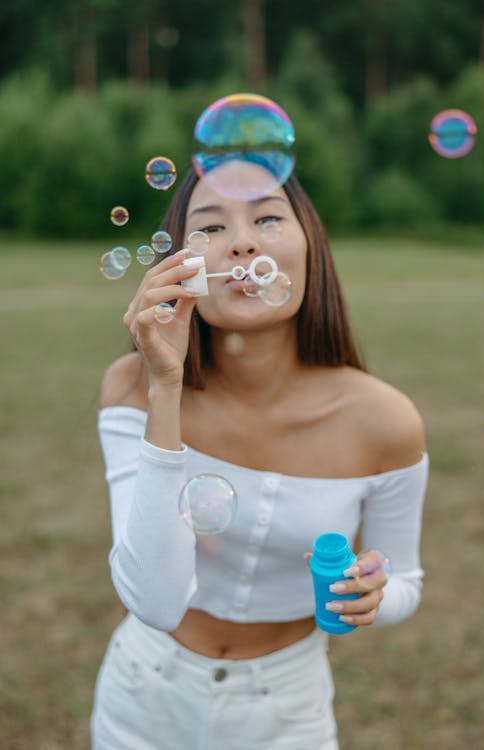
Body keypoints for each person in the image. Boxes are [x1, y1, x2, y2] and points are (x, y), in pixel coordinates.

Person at [91, 163, 428, 750]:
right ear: (182, 267)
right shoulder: (131, 385)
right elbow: (156, 601)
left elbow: (406, 582)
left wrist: (375, 591)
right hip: (142, 697)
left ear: (308, 248)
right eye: (210, 227)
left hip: (286, 713)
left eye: (267, 217)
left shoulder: (386, 422)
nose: (242, 240)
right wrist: (164, 387)